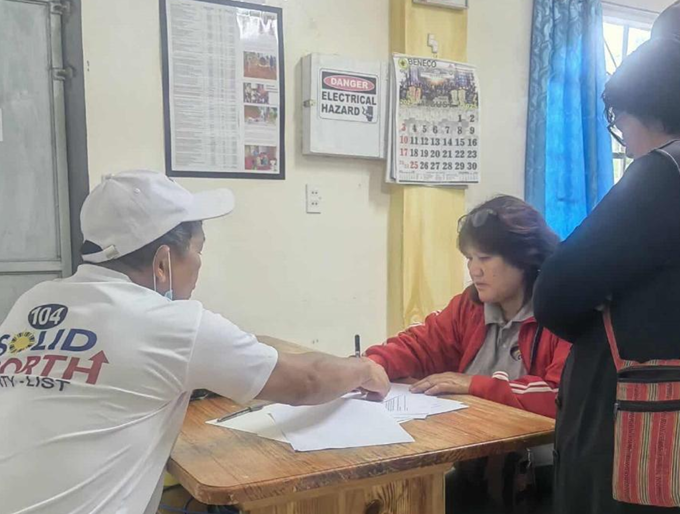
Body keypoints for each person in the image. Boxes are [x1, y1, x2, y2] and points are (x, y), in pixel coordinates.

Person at [0, 171, 390, 514]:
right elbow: (307, 381)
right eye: (199, 249)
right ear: (162, 264)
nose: (200, 263)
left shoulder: (34, 300)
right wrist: (364, 368)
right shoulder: (173, 325)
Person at [534, 32, 680, 514]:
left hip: (657, 442)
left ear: (655, 106)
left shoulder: (679, 168)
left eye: (623, 127)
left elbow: (555, 293)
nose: (627, 148)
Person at [367, 195, 570, 419]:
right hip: (474, 432)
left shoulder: (564, 315)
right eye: (469, 258)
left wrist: (474, 385)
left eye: (485, 258)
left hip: (530, 440)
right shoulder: (470, 306)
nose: (474, 270)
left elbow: (561, 396)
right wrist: (369, 366)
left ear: (524, 258)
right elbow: (420, 347)